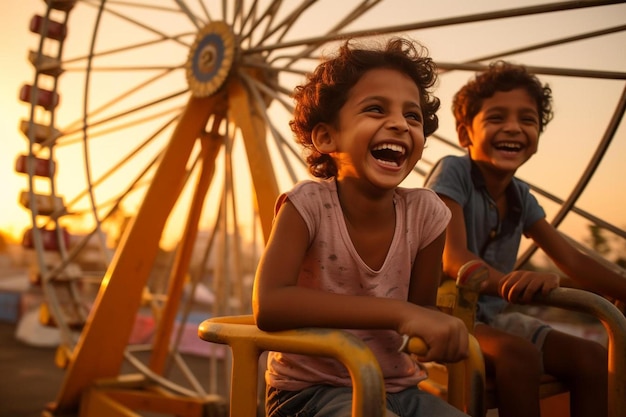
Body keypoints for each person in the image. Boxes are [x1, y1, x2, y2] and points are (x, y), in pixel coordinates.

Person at [252, 37, 470, 417]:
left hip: (400, 387)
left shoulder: (427, 215)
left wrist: (436, 329)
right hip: (309, 393)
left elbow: (420, 312)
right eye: (375, 109)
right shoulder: (307, 205)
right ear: (325, 137)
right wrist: (399, 314)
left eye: (413, 116)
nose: (400, 125)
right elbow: (269, 304)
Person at [425, 60, 626, 417]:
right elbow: (453, 259)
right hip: (443, 314)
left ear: (537, 137)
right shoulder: (453, 172)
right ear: (465, 134)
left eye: (527, 120)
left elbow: (573, 260)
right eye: (497, 118)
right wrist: (510, 283)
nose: (514, 128)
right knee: (519, 355)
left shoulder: (521, 196)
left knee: (592, 357)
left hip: (494, 317)